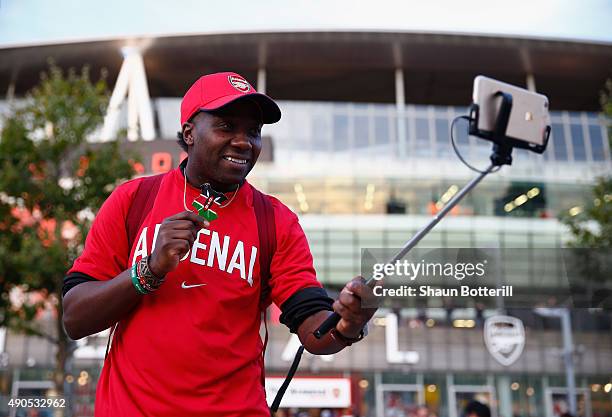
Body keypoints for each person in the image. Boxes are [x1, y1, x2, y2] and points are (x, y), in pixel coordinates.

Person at [62, 72, 376, 417]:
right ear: (189, 133)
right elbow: (76, 318)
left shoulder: (276, 221)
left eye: (253, 131)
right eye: (226, 126)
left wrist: (349, 323)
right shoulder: (133, 200)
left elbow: (315, 331)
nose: (244, 142)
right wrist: (148, 270)